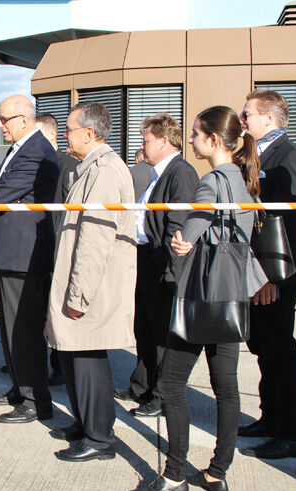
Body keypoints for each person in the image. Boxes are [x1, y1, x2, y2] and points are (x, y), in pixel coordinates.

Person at [127, 106, 266, 491]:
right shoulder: (242, 177)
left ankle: (174, 475)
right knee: (227, 387)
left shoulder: (211, 182)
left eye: (194, 134)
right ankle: (219, 472)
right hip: (232, 295)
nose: (189, 140)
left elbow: (187, 236)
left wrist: (181, 239)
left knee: (171, 382)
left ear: (213, 140)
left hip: (200, 297)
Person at [44, 102, 136, 462]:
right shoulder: (90, 168)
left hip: (92, 284)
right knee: (73, 355)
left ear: (90, 133)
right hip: (80, 279)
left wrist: (80, 292)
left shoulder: (106, 170)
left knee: (88, 357)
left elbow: (95, 239)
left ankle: (100, 438)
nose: (65, 135)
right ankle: (85, 423)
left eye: (68, 129)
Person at [237, 89, 296, 459]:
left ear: (269, 118)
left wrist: (269, 277)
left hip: (279, 272)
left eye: (247, 114)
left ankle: (292, 433)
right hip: (260, 271)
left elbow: (289, 223)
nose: (243, 120)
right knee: (264, 348)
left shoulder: (290, 157)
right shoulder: (257, 154)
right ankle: (271, 418)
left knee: (280, 350)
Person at [0, 94, 59, 423]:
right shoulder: (19, 149)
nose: (0, 125)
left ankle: (34, 400)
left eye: (4, 119)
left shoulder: (35, 151)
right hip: (12, 253)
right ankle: (19, 387)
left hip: (24, 255)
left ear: (24, 120)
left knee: (24, 329)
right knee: (12, 327)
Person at [116, 114, 198, 417]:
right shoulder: (159, 173)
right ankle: (142, 386)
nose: (143, 146)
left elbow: (177, 225)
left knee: (162, 333)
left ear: (164, 142)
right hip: (145, 258)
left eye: (147, 141)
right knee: (145, 328)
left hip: (162, 262)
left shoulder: (180, 173)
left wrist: (168, 268)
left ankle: (162, 395)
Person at [36, 112, 79, 387]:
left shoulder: (67, 164)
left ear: (52, 135)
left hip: (56, 249)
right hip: (37, 248)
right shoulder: (36, 163)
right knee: (37, 310)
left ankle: (60, 366)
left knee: (56, 313)